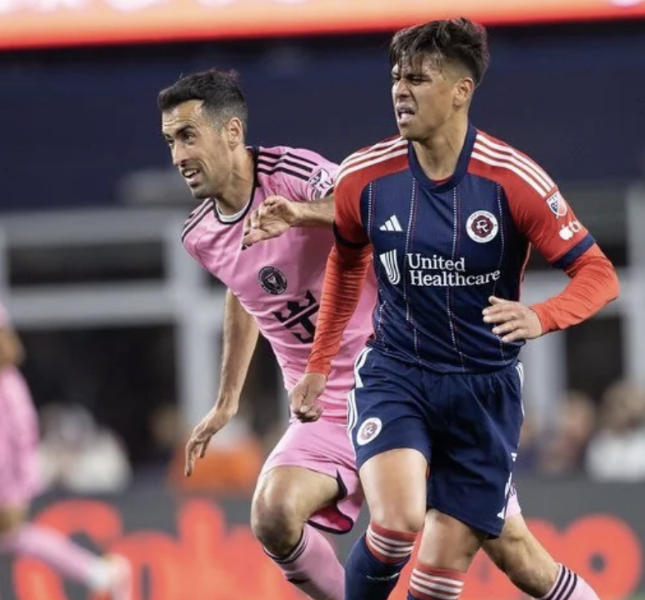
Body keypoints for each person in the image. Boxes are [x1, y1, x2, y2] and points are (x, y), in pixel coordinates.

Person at [159, 68, 577, 600]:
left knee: (517, 555)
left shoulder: (294, 171)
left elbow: (374, 212)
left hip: (403, 377)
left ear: (233, 132)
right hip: (324, 408)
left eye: (188, 135)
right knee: (273, 512)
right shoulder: (199, 235)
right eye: (171, 140)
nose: (177, 155)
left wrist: (301, 215)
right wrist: (226, 401)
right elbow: (243, 292)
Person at [286, 18, 619, 600]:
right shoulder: (363, 174)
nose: (400, 91)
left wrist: (541, 315)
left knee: (460, 575)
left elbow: (598, 273)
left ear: (462, 91)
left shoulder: (512, 180)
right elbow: (345, 263)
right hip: (398, 373)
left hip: (483, 392)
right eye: (395, 77)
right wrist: (319, 363)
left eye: (417, 78)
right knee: (394, 523)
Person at [0, 301, 132, 600]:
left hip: (8, 481)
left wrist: (13, 491)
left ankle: (99, 572)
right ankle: (100, 573)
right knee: (12, 540)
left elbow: (21, 440)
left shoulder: (7, 385)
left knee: (13, 537)